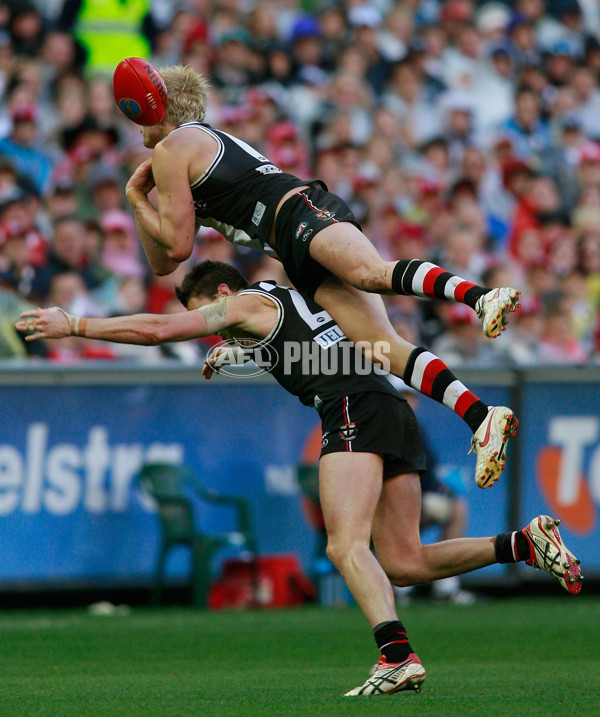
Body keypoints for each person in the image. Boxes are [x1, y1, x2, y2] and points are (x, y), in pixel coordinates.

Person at [17, 260, 583, 697]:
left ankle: (396, 655)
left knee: (344, 545)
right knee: (405, 561)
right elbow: (301, 350)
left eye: (207, 320)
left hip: (350, 408)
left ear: (220, 296)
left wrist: (77, 324)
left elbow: (163, 329)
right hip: (388, 404)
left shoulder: (238, 303)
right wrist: (238, 356)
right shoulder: (283, 299)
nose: (210, 335)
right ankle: (522, 543)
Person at [122, 64, 520, 489]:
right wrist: (136, 199)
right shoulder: (185, 153)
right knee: (382, 348)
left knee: (369, 273)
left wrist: (136, 199)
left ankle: (481, 296)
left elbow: (178, 248)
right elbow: (163, 263)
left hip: (298, 213)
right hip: (290, 241)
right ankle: (481, 416)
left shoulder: (173, 148)